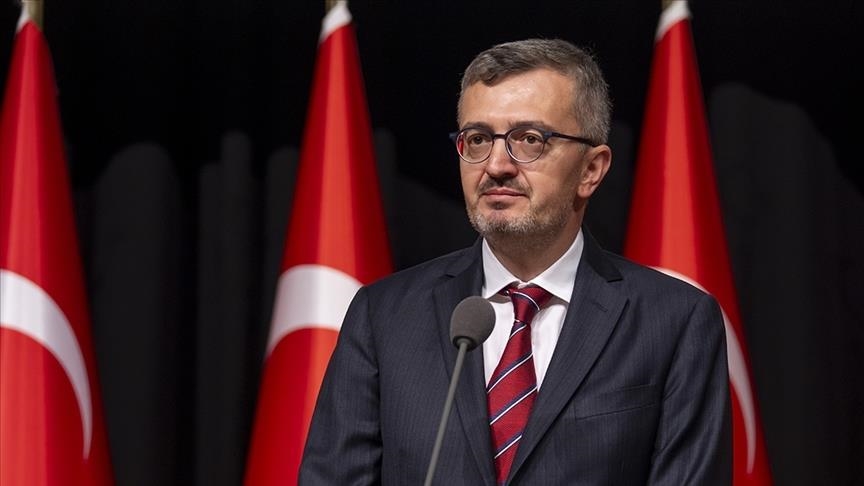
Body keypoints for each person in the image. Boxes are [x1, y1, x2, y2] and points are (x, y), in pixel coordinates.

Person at [299, 38, 731, 485]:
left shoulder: (675, 320)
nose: (496, 165)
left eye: (529, 139)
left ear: (591, 170)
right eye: (478, 139)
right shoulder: (384, 315)